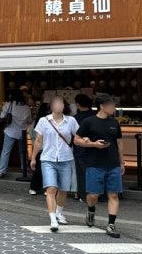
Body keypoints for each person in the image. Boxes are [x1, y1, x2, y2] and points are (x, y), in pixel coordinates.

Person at [75, 94, 124, 238]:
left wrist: (122, 161)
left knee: (113, 194)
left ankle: (111, 224)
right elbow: (77, 140)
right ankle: (91, 210)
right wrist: (93, 144)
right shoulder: (88, 122)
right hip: (94, 163)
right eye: (111, 105)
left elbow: (120, 143)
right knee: (93, 195)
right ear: (102, 106)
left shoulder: (114, 123)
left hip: (113, 163)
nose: (113, 108)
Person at [30, 97, 79, 232]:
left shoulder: (71, 121)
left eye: (61, 103)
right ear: (51, 107)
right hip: (48, 158)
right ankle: (53, 219)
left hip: (66, 158)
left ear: (64, 106)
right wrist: (33, 158)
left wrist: (89, 142)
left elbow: (78, 136)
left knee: (63, 189)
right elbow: (38, 141)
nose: (58, 106)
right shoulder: (44, 121)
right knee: (51, 189)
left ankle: (59, 213)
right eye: (56, 104)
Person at [0, 89, 32, 179]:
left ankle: (1, 171)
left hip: (10, 131)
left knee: (5, 151)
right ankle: (24, 168)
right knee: (23, 152)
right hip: (22, 132)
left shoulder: (8, 105)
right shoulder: (27, 108)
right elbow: (29, 121)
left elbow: (1, 116)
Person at [72, 94, 95, 201]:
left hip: (80, 148)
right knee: (94, 171)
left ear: (77, 104)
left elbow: (72, 134)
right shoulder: (95, 115)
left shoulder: (75, 118)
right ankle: (96, 193)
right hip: (95, 146)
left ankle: (84, 195)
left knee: (81, 172)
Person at [28, 102, 51, 196]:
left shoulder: (36, 122)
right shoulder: (48, 122)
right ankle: (44, 188)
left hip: (38, 149)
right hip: (47, 148)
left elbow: (30, 132)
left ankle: (34, 187)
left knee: (38, 170)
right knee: (45, 170)